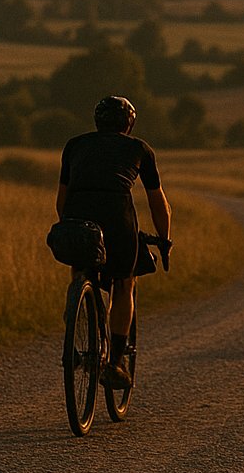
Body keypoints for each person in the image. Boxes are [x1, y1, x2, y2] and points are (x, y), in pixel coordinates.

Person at [56, 95, 171, 390]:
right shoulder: (139, 149)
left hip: (76, 215)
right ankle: (116, 363)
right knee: (124, 283)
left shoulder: (74, 145)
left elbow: (62, 200)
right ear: (129, 124)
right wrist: (165, 238)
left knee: (81, 260)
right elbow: (158, 203)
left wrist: (71, 222)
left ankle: (78, 297)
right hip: (118, 219)